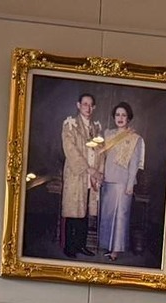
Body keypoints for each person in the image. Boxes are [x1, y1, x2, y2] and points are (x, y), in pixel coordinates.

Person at [96, 101, 145, 258]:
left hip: (123, 182)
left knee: (120, 217)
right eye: (117, 115)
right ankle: (108, 246)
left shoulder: (135, 138)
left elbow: (134, 163)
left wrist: (130, 185)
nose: (120, 118)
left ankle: (116, 251)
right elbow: (101, 157)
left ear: (128, 118)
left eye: (123, 115)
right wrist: (99, 175)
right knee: (108, 215)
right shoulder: (108, 134)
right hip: (108, 180)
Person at [59, 91, 101, 258]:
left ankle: (81, 245)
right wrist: (87, 168)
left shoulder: (96, 128)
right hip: (76, 175)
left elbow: (101, 151)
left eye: (91, 105)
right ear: (78, 105)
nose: (88, 108)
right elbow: (70, 149)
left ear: (94, 107)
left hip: (91, 176)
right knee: (73, 211)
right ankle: (69, 247)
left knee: (85, 211)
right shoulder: (70, 125)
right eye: (85, 104)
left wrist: (98, 172)